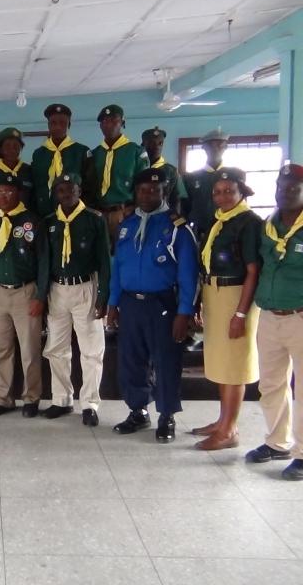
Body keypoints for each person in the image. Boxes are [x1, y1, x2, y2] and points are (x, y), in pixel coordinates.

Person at [107, 168, 198, 443]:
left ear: (164, 192)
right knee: (131, 360)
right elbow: (118, 268)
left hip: (162, 304)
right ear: (135, 192)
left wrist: (184, 312)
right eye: (143, 190)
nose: (148, 194)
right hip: (130, 303)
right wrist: (113, 303)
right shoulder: (127, 225)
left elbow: (188, 275)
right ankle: (138, 411)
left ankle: (166, 415)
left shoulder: (176, 227)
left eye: (155, 190)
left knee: (165, 361)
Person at [193, 168, 261, 450]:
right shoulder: (219, 220)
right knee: (222, 361)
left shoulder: (248, 222)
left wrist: (241, 313)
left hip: (236, 295)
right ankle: (222, 421)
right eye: (217, 192)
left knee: (234, 363)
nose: (222, 196)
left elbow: (253, 271)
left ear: (241, 191)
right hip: (215, 292)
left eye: (229, 191)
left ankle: (230, 430)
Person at [245, 164, 303, 481]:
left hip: (300, 317)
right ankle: (277, 442)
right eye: (282, 187)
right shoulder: (270, 225)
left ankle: (302, 453)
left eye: (293, 188)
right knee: (270, 384)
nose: (286, 192)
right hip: (269, 316)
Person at [42, 173, 110, 426]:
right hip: (57, 289)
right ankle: (61, 399)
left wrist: (103, 295)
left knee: (91, 350)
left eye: (71, 190)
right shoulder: (50, 222)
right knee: (56, 349)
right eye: (61, 191)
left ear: (79, 191)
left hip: (85, 287)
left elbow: (104, 259)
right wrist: (42, 294)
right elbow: (44, 262)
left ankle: (90, 403)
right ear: (55, 194)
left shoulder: (94, 219)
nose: (66, 195)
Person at [0, 175, 47, 418]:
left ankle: (31, 398)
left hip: (25, 292)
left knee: (29, 350)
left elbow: (43, 262)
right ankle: (3, 399)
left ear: (18, 194)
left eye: (8, 192)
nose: (3, 197)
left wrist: (40, 295)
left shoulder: (32, 221)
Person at [90, 104, 150, 243]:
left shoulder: (135, 152)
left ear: (122, 123)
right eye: (104, 121)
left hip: (124, 212)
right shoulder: (94, 154)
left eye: (113, 120)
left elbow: (144, 186)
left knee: (126, 255)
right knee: (100, 257)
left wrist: (134, 209)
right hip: (98, 213)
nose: (108, 125)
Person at [31, 104, 93, 218]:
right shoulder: (39, 154)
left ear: (69, 125)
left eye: (62, 123)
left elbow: (89, 186)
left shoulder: (81, 151)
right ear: (48, 125)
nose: (58, 127)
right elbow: (36, 186)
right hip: (44, 214)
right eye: (53, 123)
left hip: (75, 214)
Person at [184, 127, 230, 241]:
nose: (216, 149)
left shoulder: (234, 176)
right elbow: (185, 207)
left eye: (220, 145)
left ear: (226, 147)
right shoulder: (191, 178)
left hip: (227, 233)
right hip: (199, 234)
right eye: (211, 145)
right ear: (204, 147)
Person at [141, 126, 187, 214]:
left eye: (160, 143)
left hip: (163, 217)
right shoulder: (138, 168)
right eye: (151, 143)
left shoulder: (171, 171)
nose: (156, 146)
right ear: (143, 144)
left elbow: (177, 199)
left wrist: (175, 219)